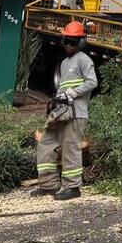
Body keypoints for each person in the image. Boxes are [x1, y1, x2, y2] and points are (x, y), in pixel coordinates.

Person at [34, 21, 98, 201]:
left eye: (73, 42)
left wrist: (74, 92)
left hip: (76, 112)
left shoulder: (84, 60)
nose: (69, 45)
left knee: (70, 148)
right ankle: (48, 185)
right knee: (46, 143)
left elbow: (92, 82)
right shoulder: (63, 63)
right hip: (61, 110)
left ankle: (72, 186)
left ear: (80, 43)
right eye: (67, 41)